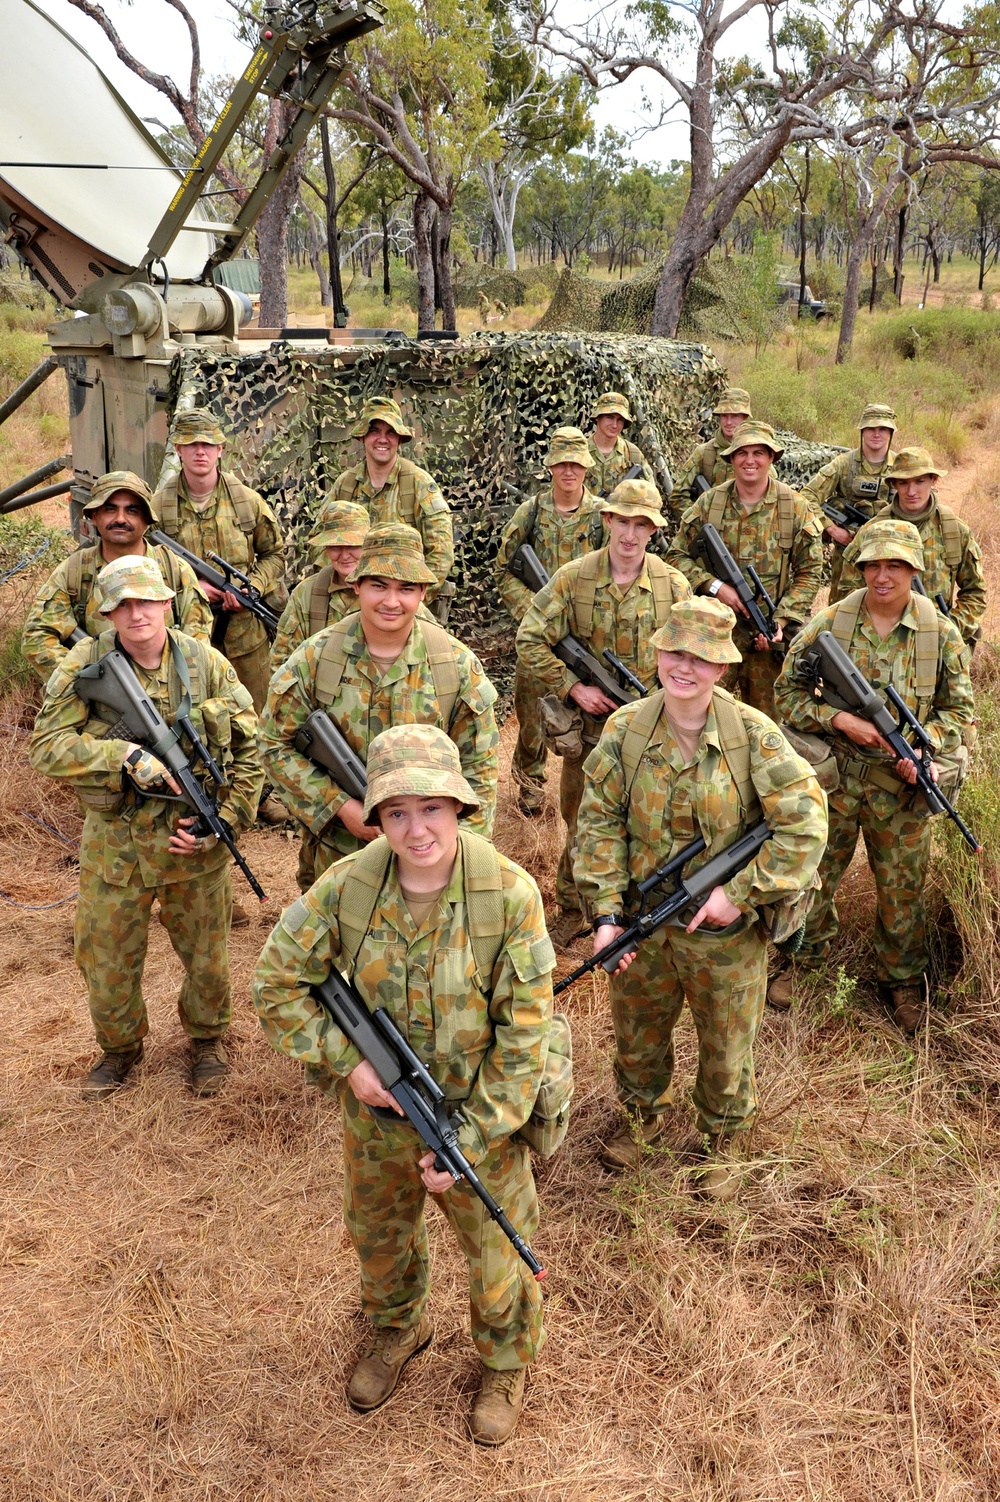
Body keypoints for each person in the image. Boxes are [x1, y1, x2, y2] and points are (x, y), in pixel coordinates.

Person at [252, 723, 553, 1445]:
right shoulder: (348, 887)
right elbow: (275, 984)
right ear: (377, 818)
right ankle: (396, 1329)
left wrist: (470, 1140)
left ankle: (505, 1361)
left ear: (459, 808)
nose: (416, 829)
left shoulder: (508, 895)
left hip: (479, 1122)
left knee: (497, 1251)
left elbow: (524, 1039)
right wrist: (345, 1062)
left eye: (432, 809)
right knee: (380, 1238)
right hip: (376, 1119)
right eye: (396, 813)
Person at [575, 597, 827, 1195]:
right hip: (644, 922)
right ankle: (643, 1122)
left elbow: (806, 823)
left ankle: (724, 1142)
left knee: (726, 1045)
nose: (683, 667)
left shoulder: (752, 735)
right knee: (638, 1035)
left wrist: (739, 894)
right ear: (658, 652)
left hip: (724, 934)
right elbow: (599, 824)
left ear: (720, 667)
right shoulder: (626, 729)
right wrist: (607, 917)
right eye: (673, 652)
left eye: (700, 658)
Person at [28, 555, 263, 1101]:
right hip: (118, 844)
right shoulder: (85, 663)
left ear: (167, 603)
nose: (138, 615)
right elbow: (45, 747)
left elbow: (254, 750)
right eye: (123, 605)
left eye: (147, 601)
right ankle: (119, 1049)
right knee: (106, 957)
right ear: (108, 612)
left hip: (192, 839)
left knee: (207, 957)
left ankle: (207, 1044)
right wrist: (121, 756)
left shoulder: (206, 664)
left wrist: (225, 820)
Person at [772, 519, 975, 1031]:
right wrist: (841, 720)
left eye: (895, 566)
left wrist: (925, 752)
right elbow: (787, 696)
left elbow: (959, 711)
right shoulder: (830, 624)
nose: (883, 576)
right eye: (873, 565)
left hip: (903, 788)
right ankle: (803, 958)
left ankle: (901, 980)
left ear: (914, 569)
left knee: (902, 889)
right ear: (860, 568)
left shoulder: (939, 632)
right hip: (835, 781)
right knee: (813, 875)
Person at [259, 522, 498, 892]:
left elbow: (480, 769)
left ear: (423, 593)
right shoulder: (315, 660)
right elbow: (273, 743)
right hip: (338, 860)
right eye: (378, 586)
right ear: (356, 586)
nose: (391, 601)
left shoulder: (455, 665)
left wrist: (463, 856)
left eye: (406, 588)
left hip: (429, 862)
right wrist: (340, 806)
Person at [515, 479, 690, 949]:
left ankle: (630, 906)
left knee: (651, 823)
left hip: (654, 730)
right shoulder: (574, 578)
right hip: (590, 732)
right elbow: (530, 638)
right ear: (607, 520)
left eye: (641, 525)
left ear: (653, 530)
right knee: (580, 821)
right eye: (622, 522)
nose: (630, 535)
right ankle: (572, 910)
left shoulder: (673, 585)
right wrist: (574, 686)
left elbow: (693, 654)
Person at [666, 420, 824, 716]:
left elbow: (810, 571)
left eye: (758, 453)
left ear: (771, 458)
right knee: (700, 715)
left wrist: (782, 619)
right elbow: (675, 557)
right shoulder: (710, 503)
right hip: (712, 636)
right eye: (742, 453)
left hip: (766, 643)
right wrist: (715, 587)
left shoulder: (794, 507)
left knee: (768, 725)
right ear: (731, 458)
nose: (750, 461)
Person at [494, 426, 603, 816]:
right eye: (561, 464)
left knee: (592, 720)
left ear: (586, 468)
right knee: (529, 719)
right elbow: (504, 570)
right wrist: (533, 611)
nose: (568, 472)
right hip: (538, 637)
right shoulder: (532, 512)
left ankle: (592, 790)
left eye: (575, 464)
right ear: (550, 467)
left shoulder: (601, 517)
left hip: (585, 636)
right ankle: (529, 786)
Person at [153, 407, 287, 715]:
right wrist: (191, 586)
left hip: (245, 639)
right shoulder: (159, 506)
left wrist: (252, 587)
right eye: (191, 444)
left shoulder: (247, 502)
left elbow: (274, 555)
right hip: (186, 638)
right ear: (178, 450)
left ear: (220, 450)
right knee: (195, 716)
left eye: (207, 445)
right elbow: (147, 567)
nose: (200, 452)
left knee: (257, 717)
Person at [22, 470, 212, 683]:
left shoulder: (173, 569)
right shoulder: (75, 572)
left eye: (131, 510)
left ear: (147, 519)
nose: (120, 519)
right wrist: (88, 679)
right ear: (94, 516)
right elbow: (37, 638)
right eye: (110, 509)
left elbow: (198, 644)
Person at [840, 447, 986, 648]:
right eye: (903, 482)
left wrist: (951, 627)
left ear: (933, 480)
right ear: (894, 485)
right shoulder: (872, 531)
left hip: (937, 642)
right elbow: (848, 591)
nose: (911, 491)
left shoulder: (954, 530)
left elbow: (975, 591)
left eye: (919, 481)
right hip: (883, 645)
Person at [316, 395, 454, 606]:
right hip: (347, 605)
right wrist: (345, 594)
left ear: (399, 439)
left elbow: (441, 556)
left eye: (390, 432)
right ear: (362, 437)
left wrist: (409, 604)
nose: (383, 439)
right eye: (374, 431)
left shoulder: (418, 484)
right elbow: (320, 542)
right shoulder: (346, 485)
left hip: (400, 607)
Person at [800, 403, 898, 603]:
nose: (876, 434)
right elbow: (807, 496)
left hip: (890, 553)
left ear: (891, 432)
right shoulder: (844, 464)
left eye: (882, 429)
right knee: (842, 608)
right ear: (862, 430)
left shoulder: (900, 467)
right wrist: (831, 529)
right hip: (847, 555)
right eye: (871, 428)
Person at [269, 498, 370, 666]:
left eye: (352, 545)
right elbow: (281, 660)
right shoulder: (307, 593)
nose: (344, 556)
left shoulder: (389, 592)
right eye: (336, 547)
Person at [672, 387, 752, 510]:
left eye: (735, 416)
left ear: (745, 418)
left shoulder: (756, 455)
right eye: (724, 416)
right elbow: (677, 496)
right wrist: (699, 522)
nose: (729, 422)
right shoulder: (704, 453)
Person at [585, 392, 658, 499]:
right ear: (597, 417)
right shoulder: (580, 451)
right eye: (609, 417)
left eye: (620, 420)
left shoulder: (633, 455)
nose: (614, 425)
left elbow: (651, 496)